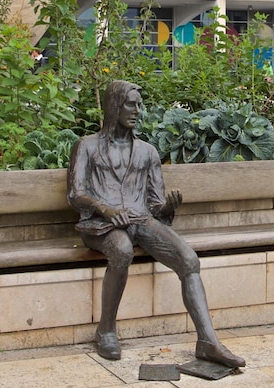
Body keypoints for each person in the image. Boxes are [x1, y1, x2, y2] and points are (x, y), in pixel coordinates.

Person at [67, 80, 245, 369]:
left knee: (189, 260)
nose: (137, 110)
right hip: (101, 225)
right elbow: (76, 194)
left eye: (139, 105)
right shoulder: (86, 146)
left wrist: (168, 206)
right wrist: (105, 209)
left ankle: (208, 342)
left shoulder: (147, 152)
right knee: (122, 249)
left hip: (141, 220)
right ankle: (106, 330)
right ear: (114, 106)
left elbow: (155, 205)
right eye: (131, 104)